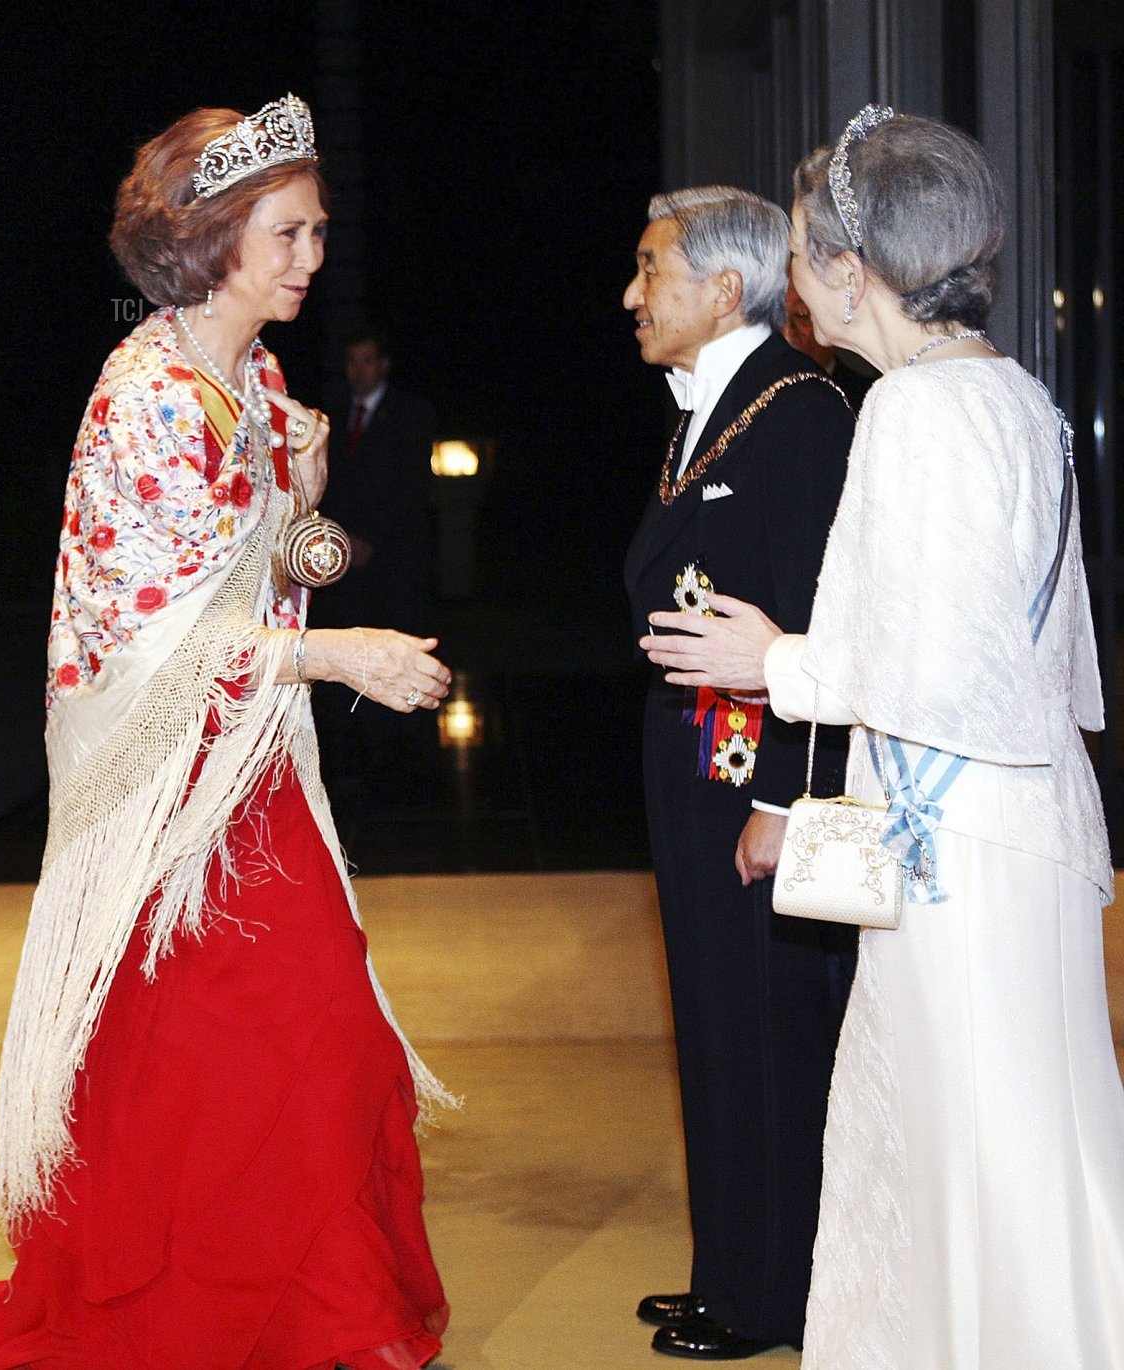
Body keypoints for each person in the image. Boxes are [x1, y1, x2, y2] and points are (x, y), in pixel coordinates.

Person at [0, 95, 455, 1370]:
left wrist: (312, 502)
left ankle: (323, 1309)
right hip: (169, 785)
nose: (310, 259)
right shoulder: (149, 395)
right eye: (287, 233)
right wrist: (341, 650)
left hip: (253, 759)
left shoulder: (257, 375)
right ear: (211, 238)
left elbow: (279, 565)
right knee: (208, 1057)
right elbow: (160, 639)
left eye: (318, 232)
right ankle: (216, 1314)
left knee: (315, 1036)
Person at [640, 107, 1124, 1370]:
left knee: (976, 1142)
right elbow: (1046, 663)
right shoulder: (1013, 395)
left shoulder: (912, 412)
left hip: (957, 849)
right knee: (1026, 1141)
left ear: (854, 270)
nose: (791, 283)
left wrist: (772, 660)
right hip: (1017, 825)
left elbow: (934, 662)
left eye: (801, 254)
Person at [621, 186, 856, 1359]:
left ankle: (774, 1294)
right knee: (714, 1024)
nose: (633, 294)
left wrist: (782, 799)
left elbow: (822, 621)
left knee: (768, 1029)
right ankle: (729, 1266)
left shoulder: (801, 412)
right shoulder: (708, 408)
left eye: (650, 269)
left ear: (723, 289)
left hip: (757, 773)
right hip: (695, 760)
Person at [314, 327, 436, 637]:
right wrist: (345, 536)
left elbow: (412, 483)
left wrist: (370, 538)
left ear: (383, 365)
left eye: (367, 360)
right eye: (352, 361)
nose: (359, 370)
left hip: (394, 552)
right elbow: (327, 480)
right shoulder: (333, 414)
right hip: (345, 552)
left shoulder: (411, 413)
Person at [783, 275, 873, 411]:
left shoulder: (867, 401)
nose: (787, 335)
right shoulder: (753, 391)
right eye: (776, 317)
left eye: (802, 315)